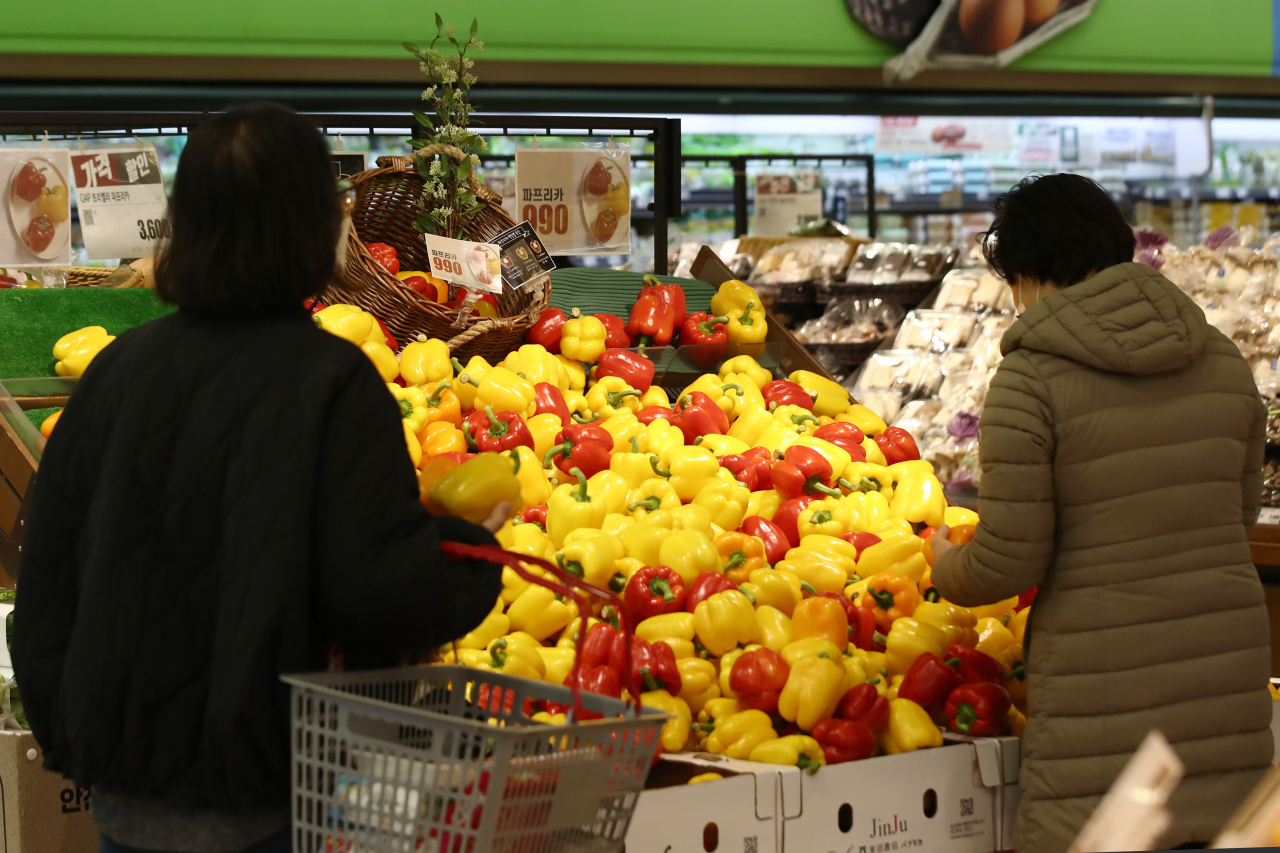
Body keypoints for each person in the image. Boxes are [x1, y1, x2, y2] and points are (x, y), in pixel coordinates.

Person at [11, 104, 507, 853]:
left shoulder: (117, 371)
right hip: (274, 791)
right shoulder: (334, 381)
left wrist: (74, 735)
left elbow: (46, 577)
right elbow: (381, 587)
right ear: (317, 227)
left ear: (187, 224)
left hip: (124, 791)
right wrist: (475, 548)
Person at [930, 173, 1273, 853]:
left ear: (1027, 272)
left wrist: (946, 566)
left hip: (1105, 691)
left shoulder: (1030, 377)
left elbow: (1011, 556)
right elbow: (1238, 514)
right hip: (1223, 673)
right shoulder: (1222, 357)